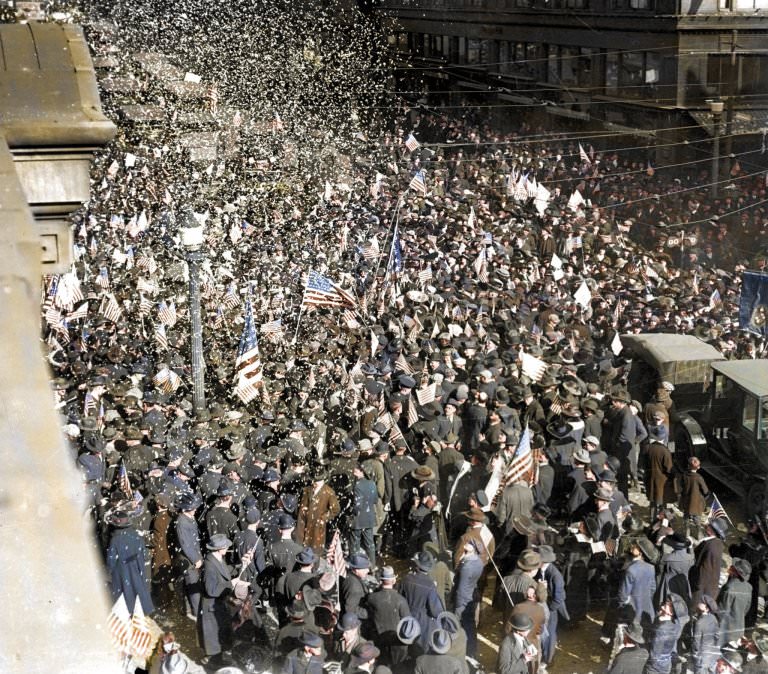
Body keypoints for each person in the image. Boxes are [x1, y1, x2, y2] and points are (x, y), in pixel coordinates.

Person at [198, 534, 241, 665]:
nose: (227, 548)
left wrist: (240, 565)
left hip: (219, 603)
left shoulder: (217, 558)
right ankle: (213, 662)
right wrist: (230, 584)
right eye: (226, 546)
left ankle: (214, 658)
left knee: (219, 635)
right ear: (219, 548)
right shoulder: (209, 565)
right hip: (211, 605)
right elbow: (211, 590)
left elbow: (224, 571)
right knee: (214, 637)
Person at [105, 510, 154, 615]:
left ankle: (129, 614)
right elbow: (145, 555)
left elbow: (111, 562)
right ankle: (140, 613)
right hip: (137, 569)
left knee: (125, 598)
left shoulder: (115, 539)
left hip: (122, 572)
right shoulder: (136, 535)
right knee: (139, 593)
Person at [365, 566, 411, 666]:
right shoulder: (401, 600)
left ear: (381, 580)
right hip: (397, 642)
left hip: (379, 641)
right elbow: (408, 622)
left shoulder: (372, 598)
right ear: (394, 581)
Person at [399, 551, 444, 650]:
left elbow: (399, 596)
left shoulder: (406, 578)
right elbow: (436, 611)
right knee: (419, 647)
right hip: (422, 621)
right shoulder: (430, 584)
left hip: (407, 616)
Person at [644, 593, 688, 674]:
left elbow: (655, 654)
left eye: (670, 605)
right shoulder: (675, 623)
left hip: (656, 666)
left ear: (671, 613)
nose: (666, 603)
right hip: (666, 662)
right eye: (667, 601)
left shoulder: (662, 629)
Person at [717, 558, 753, 647]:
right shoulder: (749, 587)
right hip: (739, 629)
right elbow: (746, 609)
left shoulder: (729, 587)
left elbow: (721, 611)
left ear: (736, 572)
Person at [678, 457, 710, 538]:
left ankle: (687, 532)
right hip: (696, 503)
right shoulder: (699, 478)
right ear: (698, 467)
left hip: (685, 501)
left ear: (688, 466)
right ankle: (699, 533)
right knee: (697, 518)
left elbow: (680, 488)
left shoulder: (684, 475)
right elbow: (705, 491)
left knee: (686, 516)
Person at [690, 595, 720, 674]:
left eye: (702, 603)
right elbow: (717, 636)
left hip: (702, 657)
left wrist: (694, 654)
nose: (699, 603)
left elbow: (696, 642)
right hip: (712, 654)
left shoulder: (699, 623)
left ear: (706, 608)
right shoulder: (713, 618)